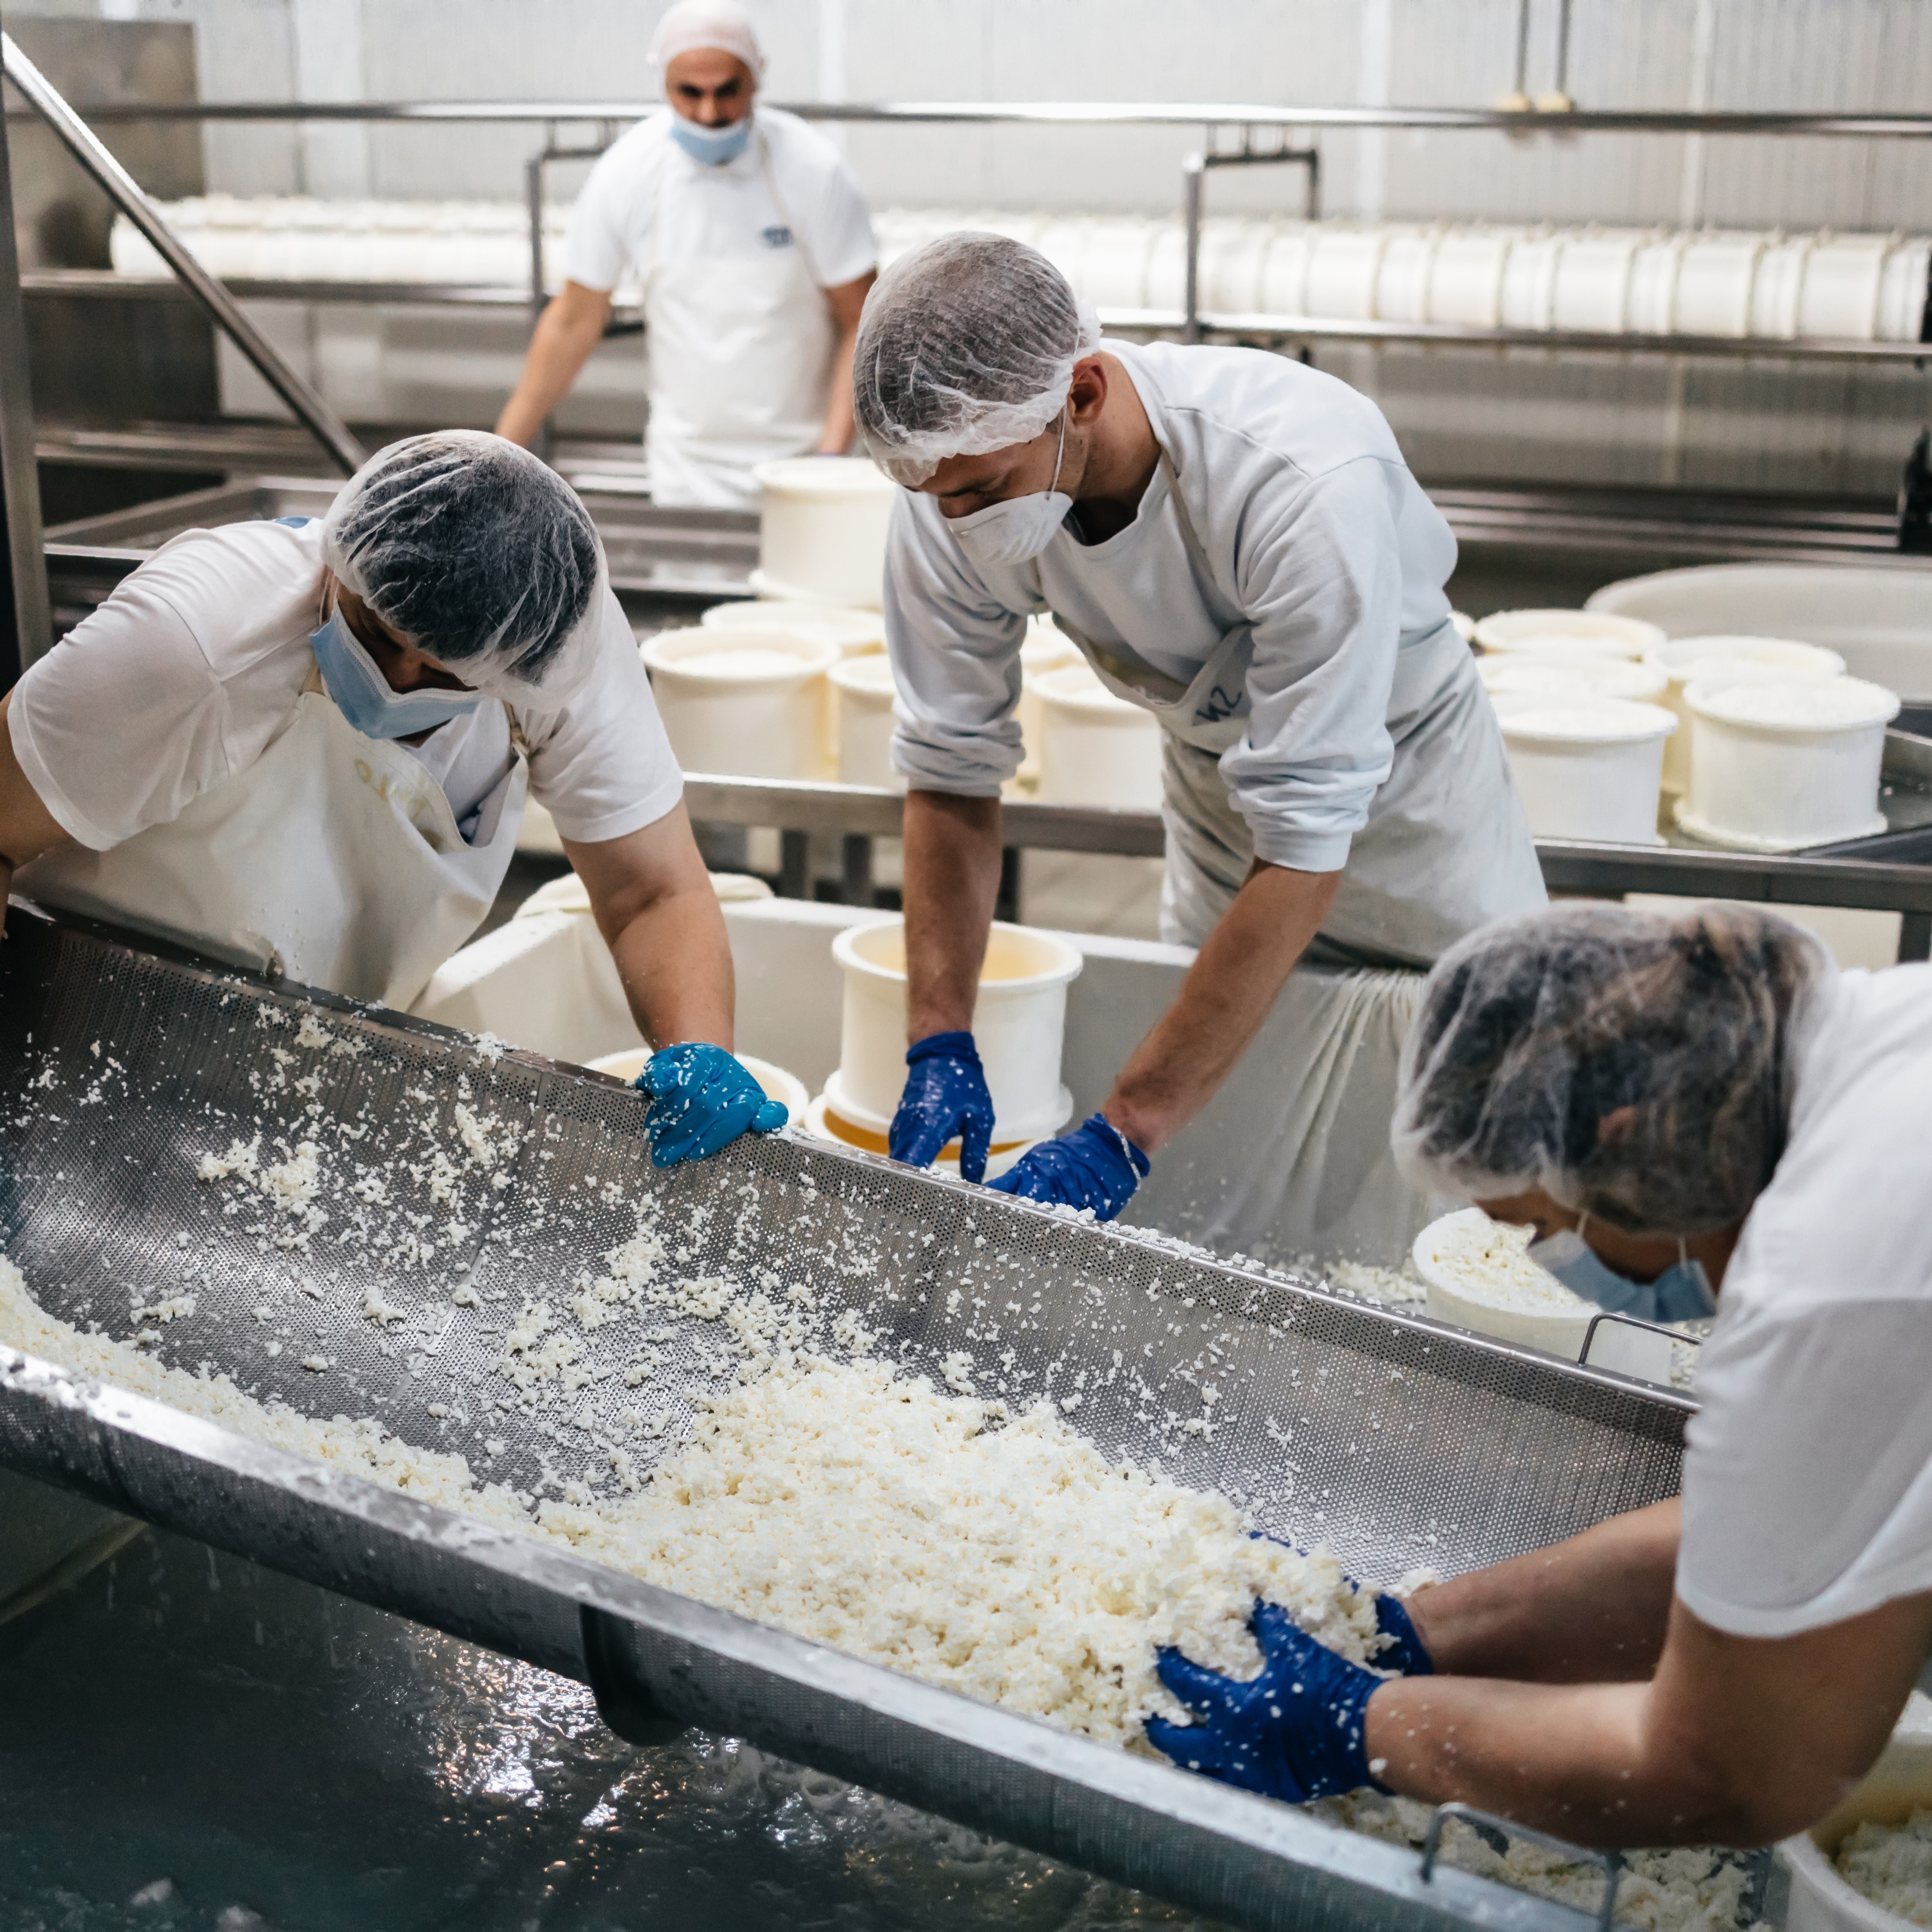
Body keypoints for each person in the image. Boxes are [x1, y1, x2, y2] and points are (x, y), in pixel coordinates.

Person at [1145, 902, 1932, 1848]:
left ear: (1631, 1142)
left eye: (1541, 1230)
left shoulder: (1829, 1276)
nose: (1553, 1264)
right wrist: (1409, 1632)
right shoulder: (1866, 1050)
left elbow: (1729, 1767)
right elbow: (1772, 1522)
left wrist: (1359, 1726)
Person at [856, 232, 1544, 1219]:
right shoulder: (950, 486)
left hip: (1416, 821)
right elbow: (951, 767)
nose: (955, 521)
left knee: (1477, 1141)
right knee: (1234, 1158)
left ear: (1082, 394)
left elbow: (1306, 839)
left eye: (981, 493)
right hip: (1225, 816)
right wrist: (937, 1036)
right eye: (932, 497)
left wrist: (1122, 1131)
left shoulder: (1297, 477)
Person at [0, 430, 782, 1168]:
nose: (397, 683)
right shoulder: (191, 641)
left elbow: (650, 891)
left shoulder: (547, 647)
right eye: (373, 634)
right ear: (338, 564)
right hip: (75, 1007)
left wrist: (699, 1054)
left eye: (443, 673)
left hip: (324, 1049)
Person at [495, 0, 878, 509]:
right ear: (663, 84)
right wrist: (496, 459)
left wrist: (829, 459)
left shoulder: (814, 171)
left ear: (757, 77)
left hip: (804, 464)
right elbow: (572, 324)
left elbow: (861, 321)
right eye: (690, 93)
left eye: (727, 91)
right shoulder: (626, 174)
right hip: (686, 472)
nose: (709, 114)